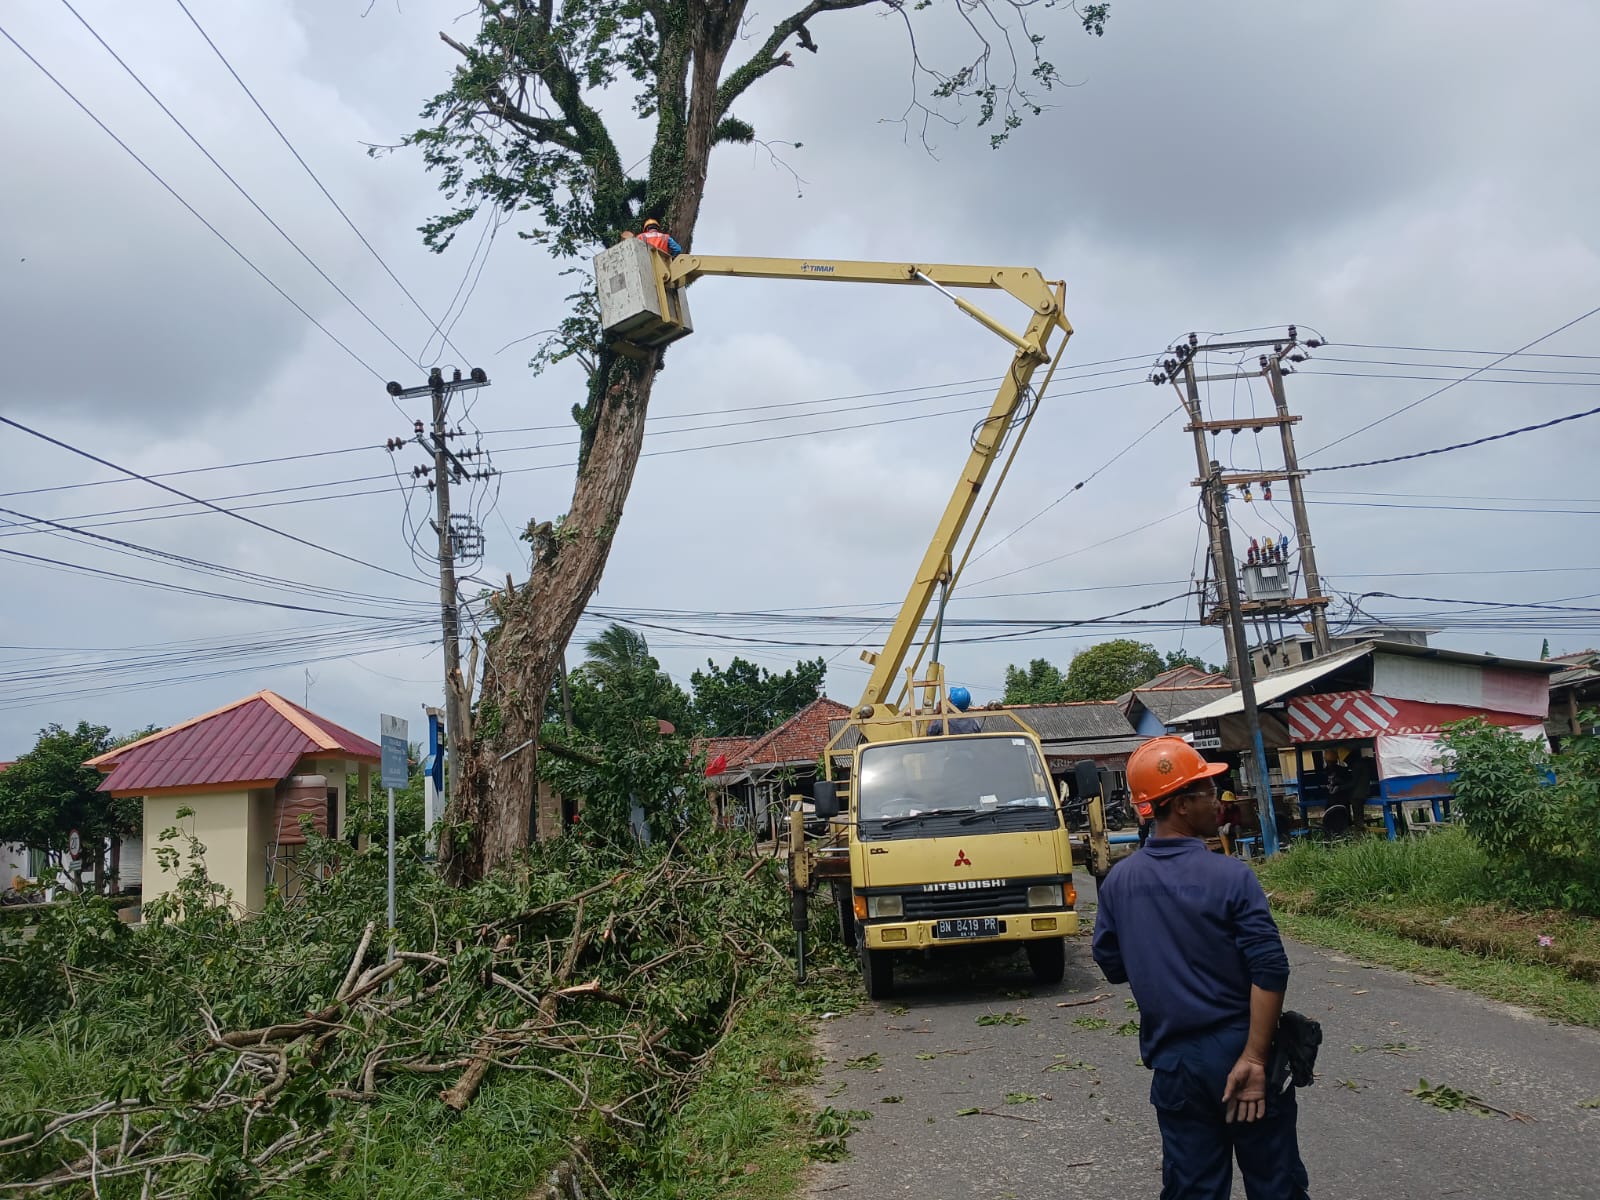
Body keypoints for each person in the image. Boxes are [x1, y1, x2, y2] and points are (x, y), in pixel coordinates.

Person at [1092, 736, 1309, 1200]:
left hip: (1177, 1065)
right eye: (1206, 791)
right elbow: (1270, 968)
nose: (1217, 800)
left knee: (1193, 1189)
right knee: (1276, 1184)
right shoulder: (1231, 876)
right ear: (1181, 805)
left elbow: (1111, 965)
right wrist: (1253, 1058)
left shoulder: (1118, 884)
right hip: (1243, 1049)